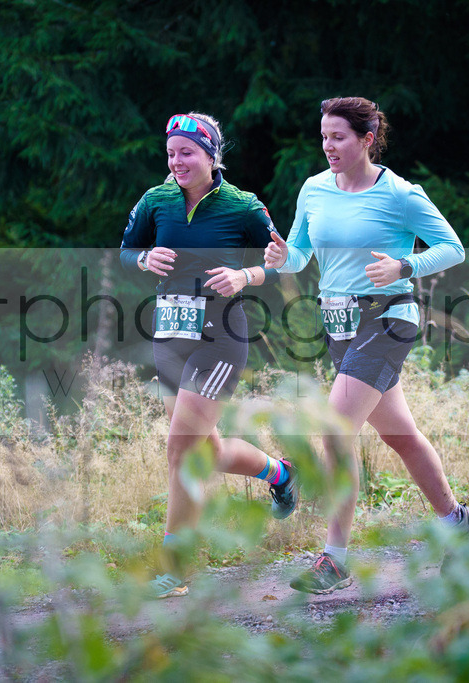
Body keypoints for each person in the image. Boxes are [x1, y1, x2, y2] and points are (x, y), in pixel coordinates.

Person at [264, 96, 469, 594]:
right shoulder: (313, 189)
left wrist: (404, 267)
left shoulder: (401, 194)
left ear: (366, 139)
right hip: (338, 324)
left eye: (338, 137)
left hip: (388, 318)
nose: (328, 146)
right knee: (399, 435)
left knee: (337, 428)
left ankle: (335, 559)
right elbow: (299, 258)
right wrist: (280, 256)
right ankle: (457, 521)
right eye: (323, 137)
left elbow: (453, 248)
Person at [120, 112, 298, 598]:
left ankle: (176, 565)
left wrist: (246, 276)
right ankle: (280, 473)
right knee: (207, 450)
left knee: (180, 448)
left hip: (219, 340)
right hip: (169, 336)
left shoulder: (242, 205)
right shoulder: (155, 201)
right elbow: (125, 250)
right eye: (171, 152)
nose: (177, 161)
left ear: (211, 156)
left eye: (188, 152)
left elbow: (284, 258)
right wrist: (142, 258)